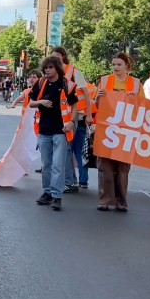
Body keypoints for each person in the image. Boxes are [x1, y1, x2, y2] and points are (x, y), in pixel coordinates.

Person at [89, 53, 141, 212]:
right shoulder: (105, 81)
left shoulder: (136, 84)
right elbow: (95, 104)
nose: (115, 68)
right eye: (113, 64)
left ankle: (121, 201)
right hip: (106, 129)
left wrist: (135, 100)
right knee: (105, 167)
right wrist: (98, 97)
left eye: (119, 64)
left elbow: (143, 108)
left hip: (126, 132)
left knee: (123, 168)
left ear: (127, 66)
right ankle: (104, 200)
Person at [29, 56, 78, 211]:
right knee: (46, 165)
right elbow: (31, 103)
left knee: (58, 165)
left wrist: (71, 122)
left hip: (61, 130)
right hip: (44, 130)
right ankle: (47, 193)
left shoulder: (66, 84)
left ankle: (57, 196)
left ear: (57, 68)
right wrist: (40, 102)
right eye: (46, 68)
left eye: (50, 67)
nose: (47, 70)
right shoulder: (41, 83)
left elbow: (75, 105)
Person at [51, 47, 90, 192]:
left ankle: (70, 181)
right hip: (61, 116)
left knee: (67, 149)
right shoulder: (53, 72)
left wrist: (89, 115)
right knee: (65, 150)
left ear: (62, 56)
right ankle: (71, 180)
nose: (54, 58)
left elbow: (85, 94)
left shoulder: (74, 71)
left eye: (56, 56)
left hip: (74, 116)